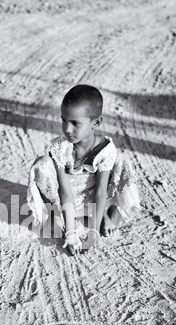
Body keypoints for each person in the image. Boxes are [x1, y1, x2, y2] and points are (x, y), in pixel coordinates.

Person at [27, 84, 140, 255]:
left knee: (122, 162)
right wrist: (71, 233)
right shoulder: (60, 147)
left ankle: (103, 216)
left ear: (96, 122)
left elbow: (101, 191)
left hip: (94, 198)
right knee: (42, 164)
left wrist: (93, 232)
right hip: (67, 198)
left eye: (75, 123)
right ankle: (62, 218)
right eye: (63, 120)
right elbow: (65, 191)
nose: (67, 129)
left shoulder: (105, 149)